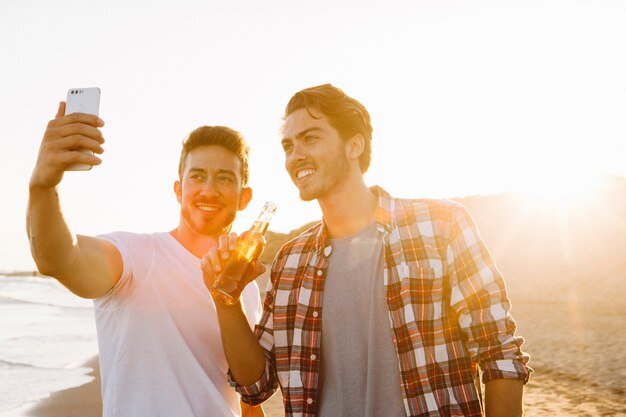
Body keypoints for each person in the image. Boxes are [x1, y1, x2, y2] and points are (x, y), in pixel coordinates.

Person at [202, 84, 532, 417]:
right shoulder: (291, 261)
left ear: (354, 144)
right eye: (288, 145)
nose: (295, 155)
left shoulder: (440, 225)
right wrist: (225, 301)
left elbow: (498, 352)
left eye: (310, 138)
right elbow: (255, 385)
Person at [26, 101, 265, 417]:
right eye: (198, 176)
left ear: (244, 196)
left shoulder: (247, 288)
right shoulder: (135, 257)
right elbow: (59, 259)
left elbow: (248, 398)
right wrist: (43, 185)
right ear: (178, 190)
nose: (209, 190)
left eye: (224, 178)